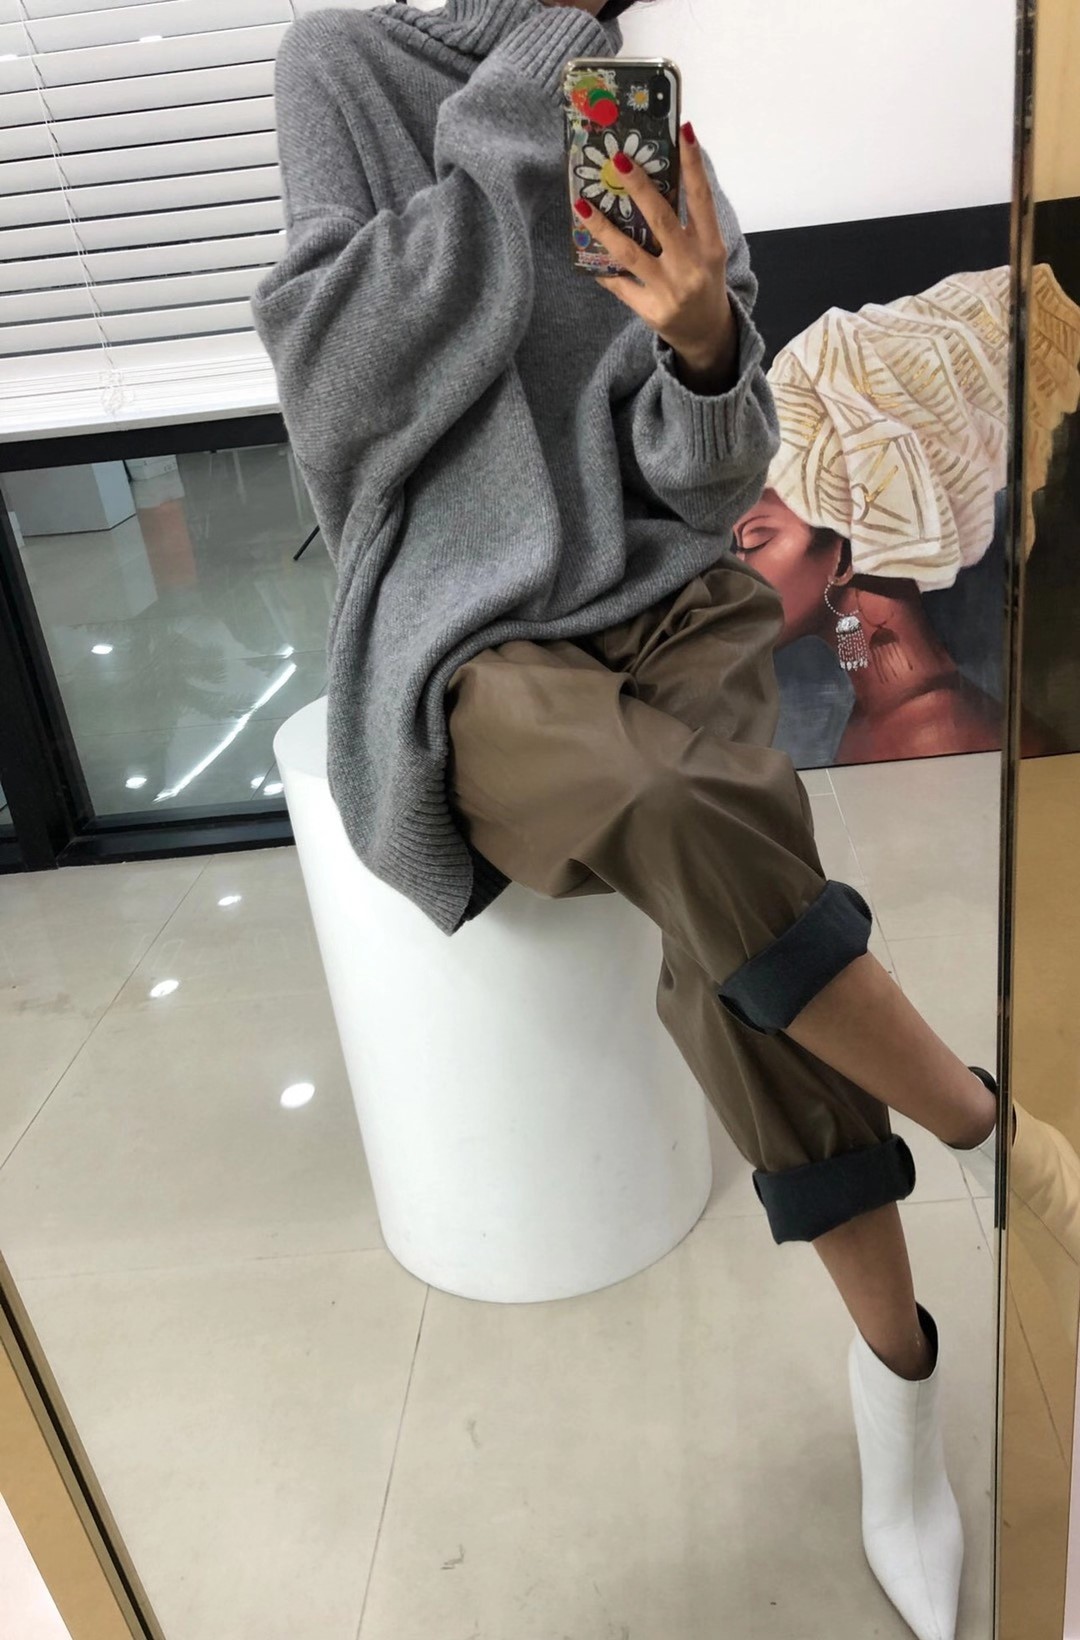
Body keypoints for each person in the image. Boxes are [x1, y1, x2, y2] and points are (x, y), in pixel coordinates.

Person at [250, 2, 1080, 1635]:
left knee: (727, 942)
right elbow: (337, 391)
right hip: (468, 636)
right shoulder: (342, 61)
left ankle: (899, 1413)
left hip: (671, 606)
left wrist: (704, 346)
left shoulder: (632, 108)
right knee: (665, 799)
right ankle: (986, 1133)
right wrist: (523, 96)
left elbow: (707, 479)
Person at [733, 266, 1080, 762]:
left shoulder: (933, 736)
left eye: (753, 541)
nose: (731, 574)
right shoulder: (888, 713)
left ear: (847, 553)